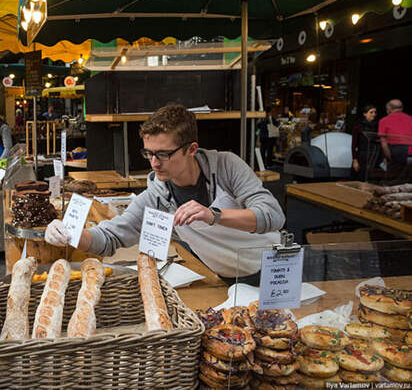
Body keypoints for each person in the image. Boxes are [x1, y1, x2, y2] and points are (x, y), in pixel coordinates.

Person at [45, 105, 285, 285]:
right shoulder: (157, 196)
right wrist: (69, 233)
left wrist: (212, 215)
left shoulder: (225, 166)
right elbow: (109, 238)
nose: (154, 163)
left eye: (163, 154)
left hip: (274, 269)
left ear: (191, 149)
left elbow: (273, 215)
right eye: (149, 153)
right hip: (224, 278)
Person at [378, 99, 412, 181]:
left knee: (392, 180)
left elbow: (383, 142)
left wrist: (389, 157)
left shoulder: (384, 120)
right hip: (410, 151)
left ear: (389, 109)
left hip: (397, 152)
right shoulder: (411, 119)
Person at [351, 104, 379, 181]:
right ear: (364, 114)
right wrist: (355, 160)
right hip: (362, 156)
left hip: (374, 156)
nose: (374, 114)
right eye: (371, 112)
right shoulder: (358, 126)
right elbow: (354, 145)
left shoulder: (377, 126)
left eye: (375, 112)